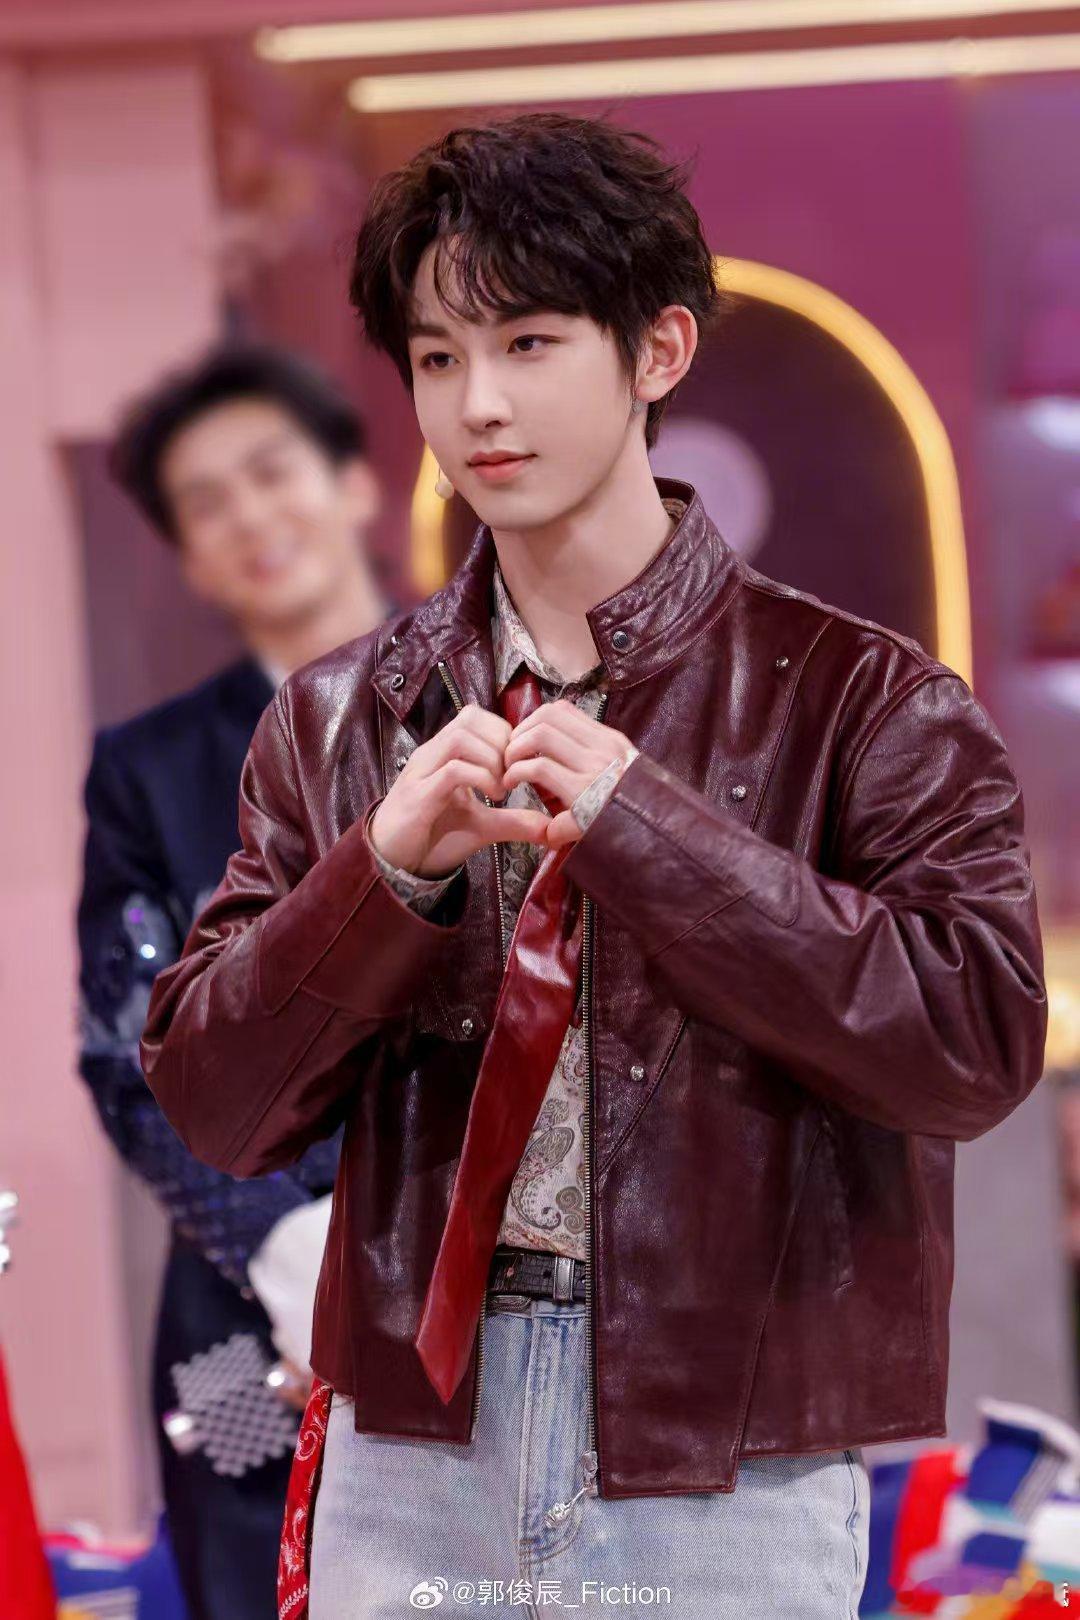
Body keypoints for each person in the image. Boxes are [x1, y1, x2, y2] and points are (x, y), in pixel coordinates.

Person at [139, 114, 1048, 1620]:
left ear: (658, 352)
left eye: (530, 343)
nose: (479, 404)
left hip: (722, 1453)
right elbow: (214, 1104)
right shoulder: (340, 717)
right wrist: (382, 872)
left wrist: (653, 830)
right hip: (410, 1443)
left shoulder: (866, 700)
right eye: (437, 357)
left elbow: (972, 1046)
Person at [77, 343, 390, 1620]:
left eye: (272, 474)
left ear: (354, 485)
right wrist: (282, 1242)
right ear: (191, 561)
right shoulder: (143, 771)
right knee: (248, 1571)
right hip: (237, 1315)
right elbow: (123, 1048)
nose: (251, 518)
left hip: (498, 1276)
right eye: (207, 505)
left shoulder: (504, 700)